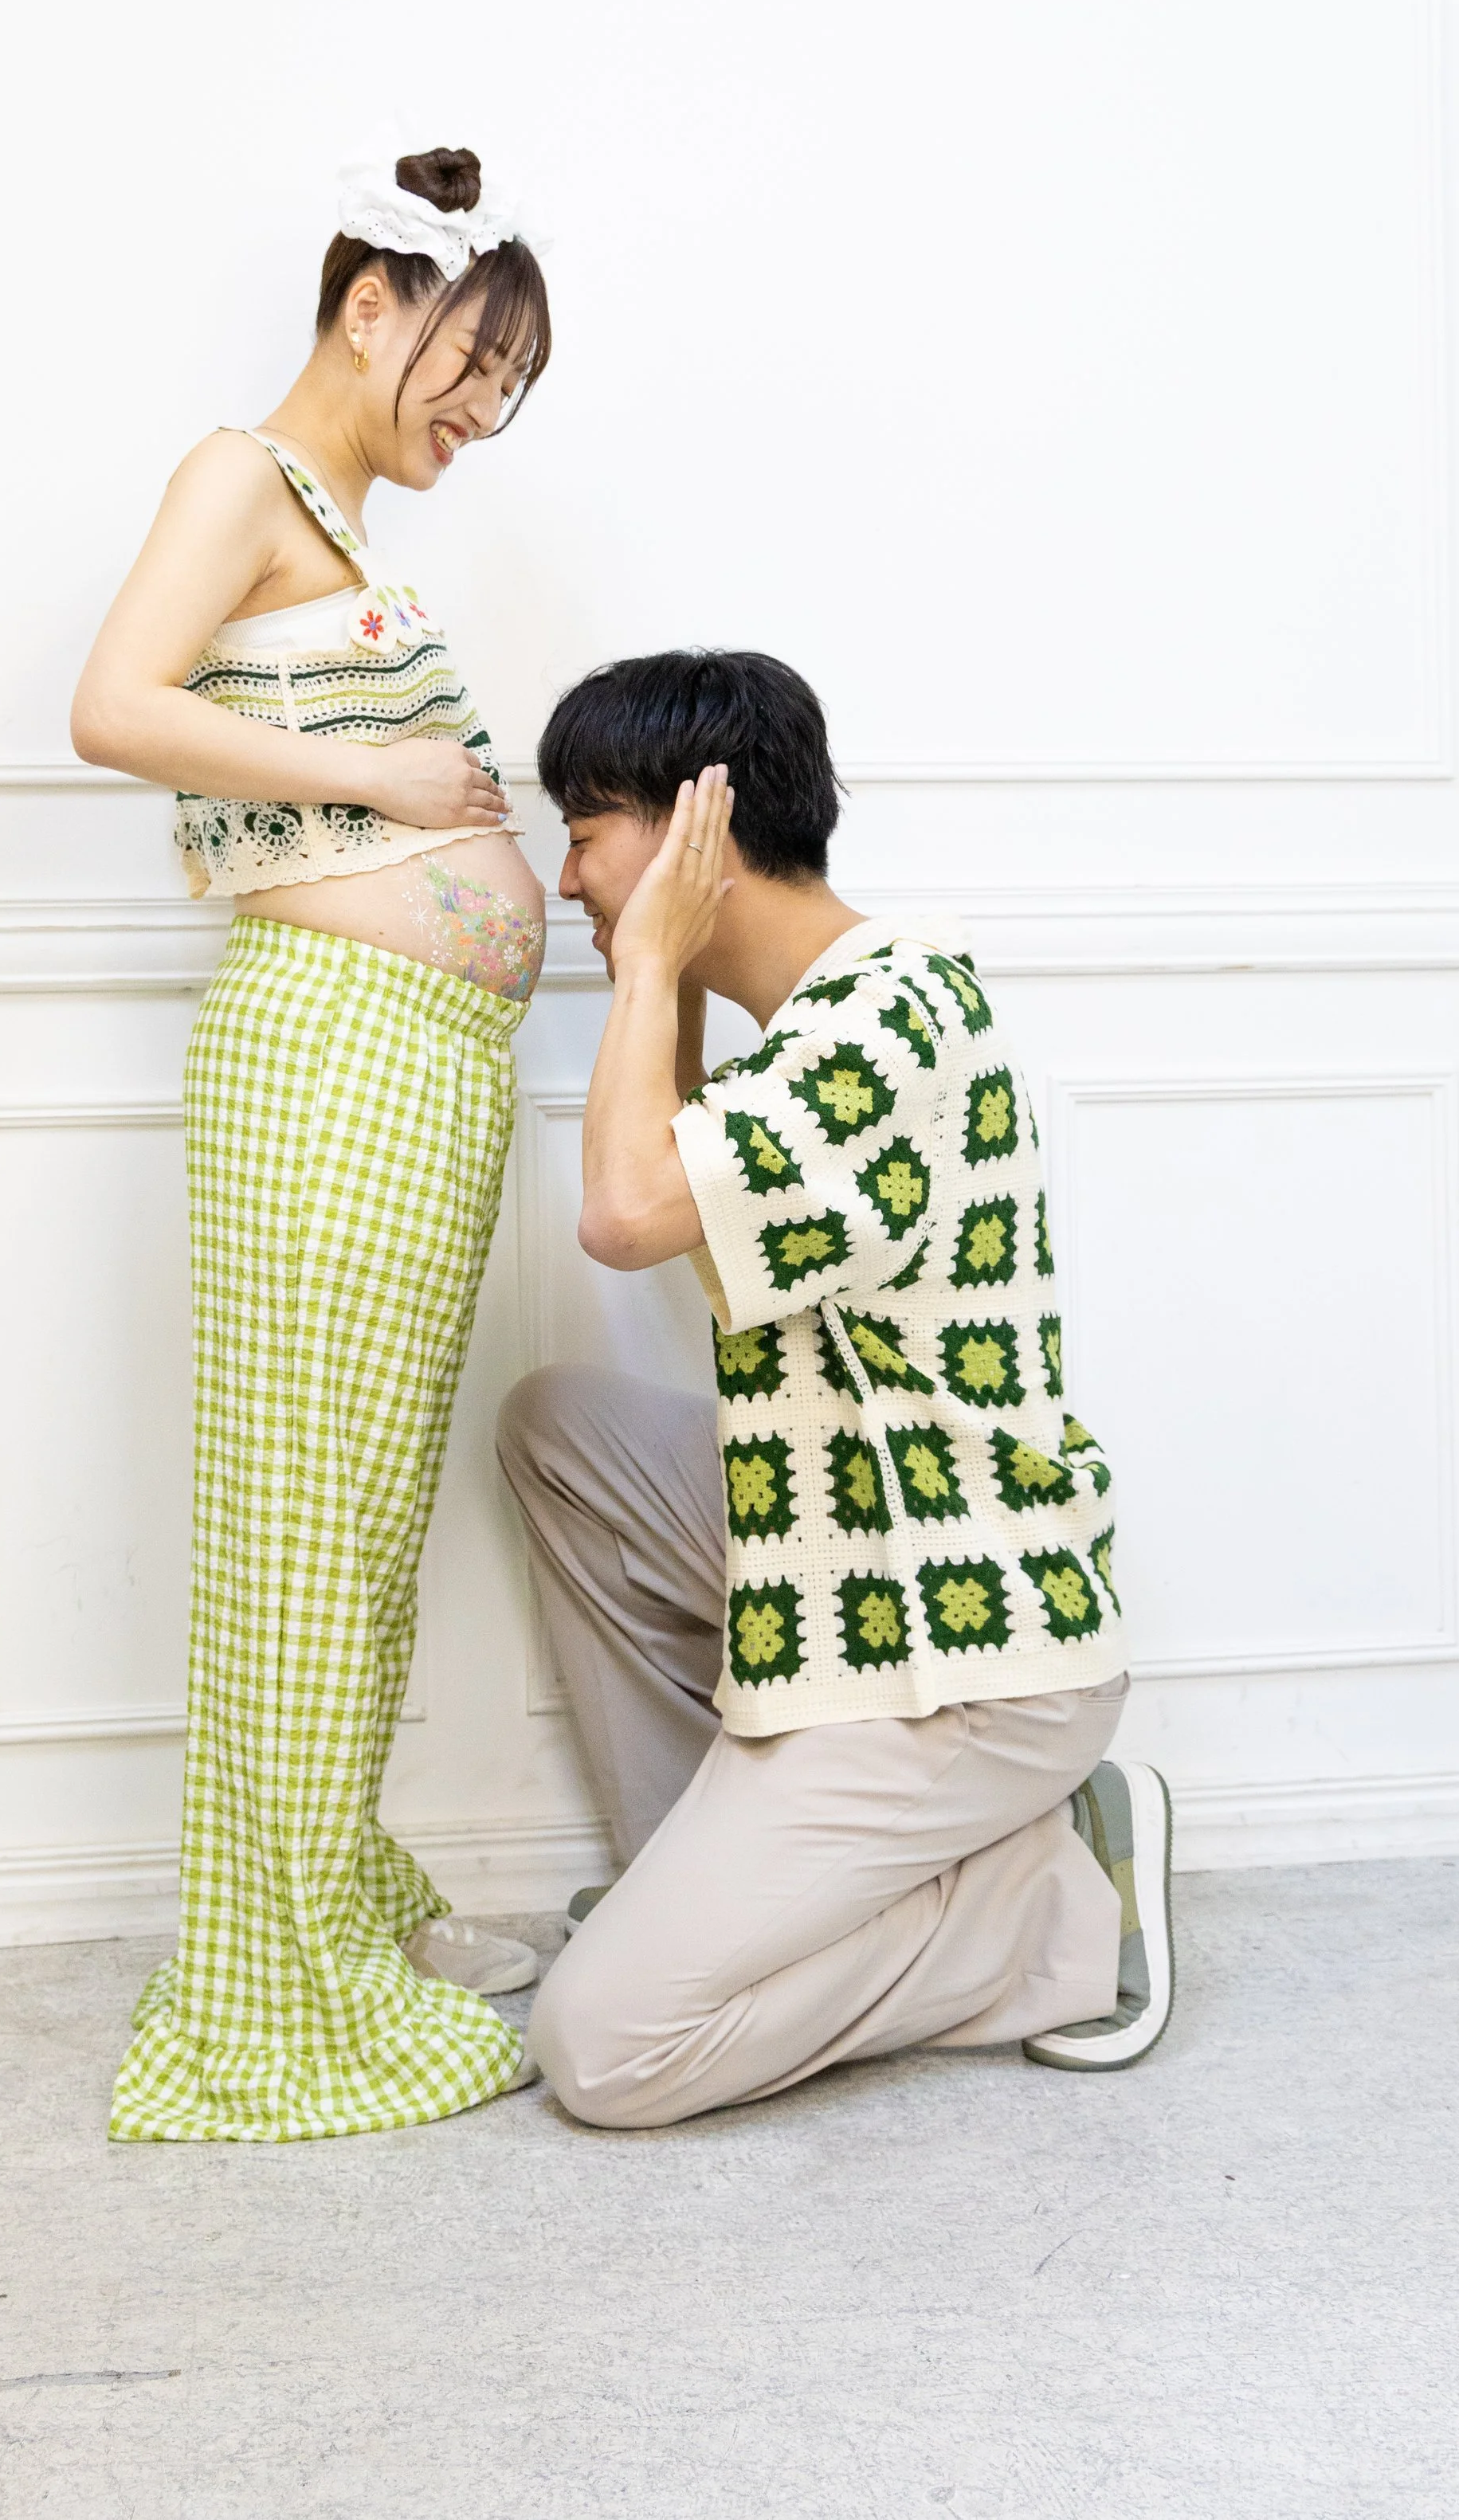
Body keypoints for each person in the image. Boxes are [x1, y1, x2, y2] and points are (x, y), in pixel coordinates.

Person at [496, 650, 1175, 2129]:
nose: (566, 879)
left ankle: (1051, 1905)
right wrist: (659, 976)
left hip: (969, 1656)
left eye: (587, 830)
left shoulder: (879, 1030)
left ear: (695, 837)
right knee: (560, 1427)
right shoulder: (824, 1023)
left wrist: (650, 962)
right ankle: (719, 1890)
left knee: (605, 2050)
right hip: (857, 1554)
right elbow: (670, 1185)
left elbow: (620, 1214)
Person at [73, 147, 553, 2139]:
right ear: (372, 304)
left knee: (351, 1535)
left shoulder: (331, 517)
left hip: (407, 1061)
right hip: (327, 1056)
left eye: (515, 389)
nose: (487, 412)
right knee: (302, 1532)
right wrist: (377, 772)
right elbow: (111, 706)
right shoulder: (235, 479)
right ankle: (276, 1988)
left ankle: (335, 1897)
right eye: (473, 362)